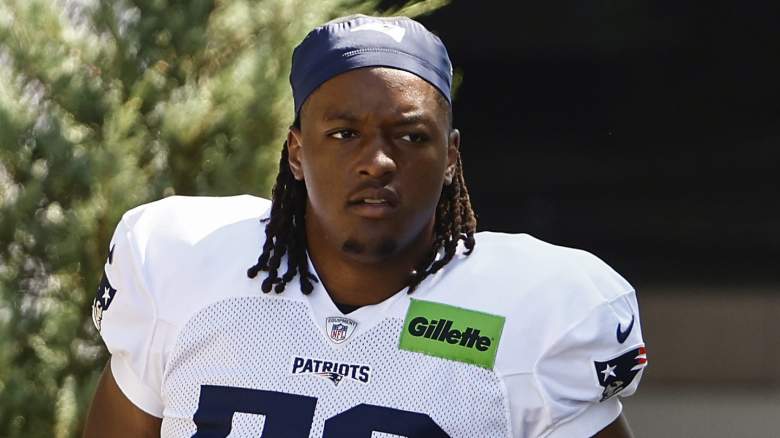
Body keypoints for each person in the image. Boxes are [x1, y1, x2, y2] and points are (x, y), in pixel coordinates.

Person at [84, 14, 647, 438]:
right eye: (345, 133)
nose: (377, 161)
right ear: (297, 152)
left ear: (451, 158)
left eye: (410, 136)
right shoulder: (185, 265)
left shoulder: (535, 313)